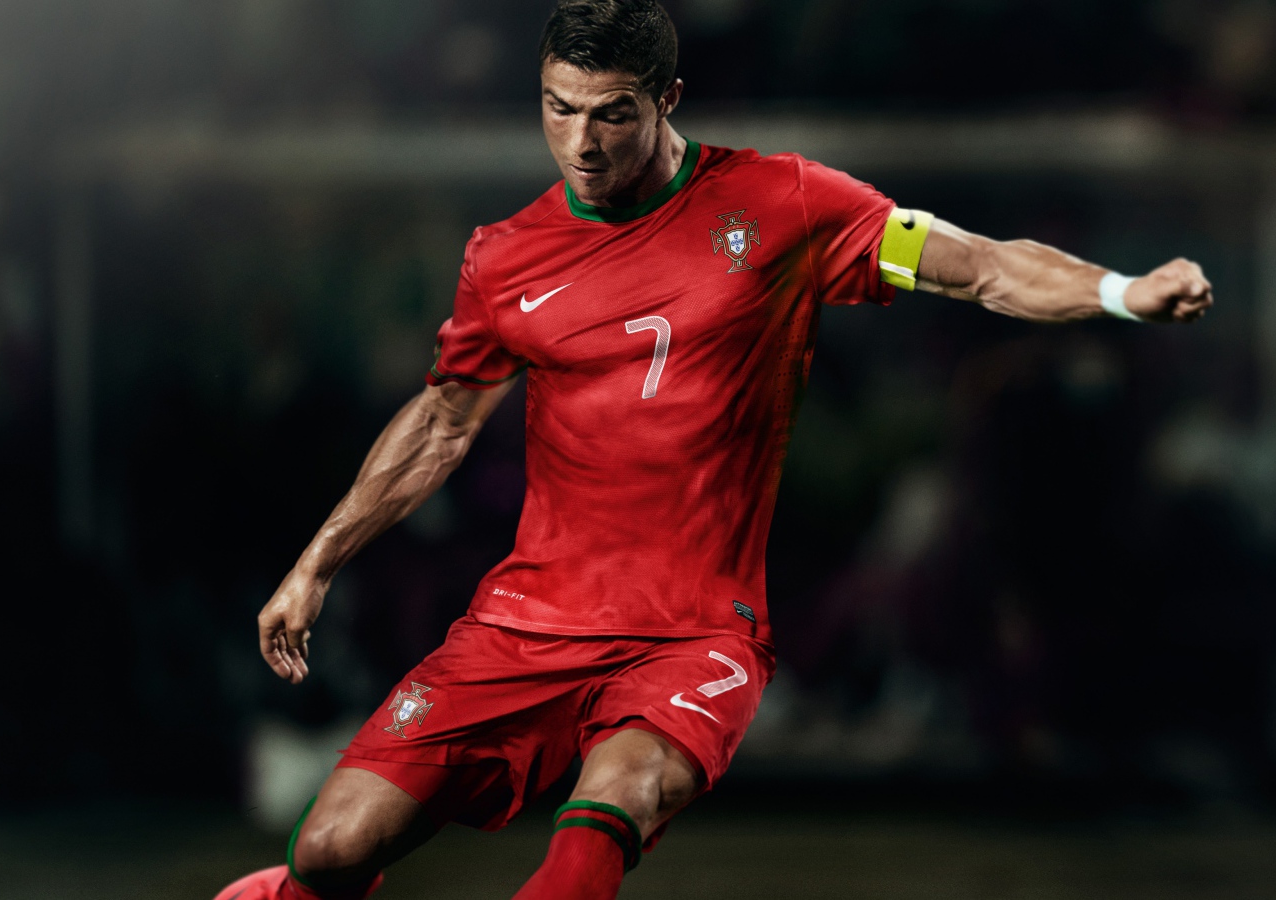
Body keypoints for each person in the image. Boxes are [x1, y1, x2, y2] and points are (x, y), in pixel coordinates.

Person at [214, 2, 1213, 898]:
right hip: (526, 626)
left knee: (604, 817)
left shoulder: (783, 205)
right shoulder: (504, 255)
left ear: (668, 99)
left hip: (692, 636)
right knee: (330, 850)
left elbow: (982, 268)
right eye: (559, 109)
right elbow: (441, 424)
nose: (582, 142)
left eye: (611, 113)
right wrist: (315, 566)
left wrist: (1122, 294)